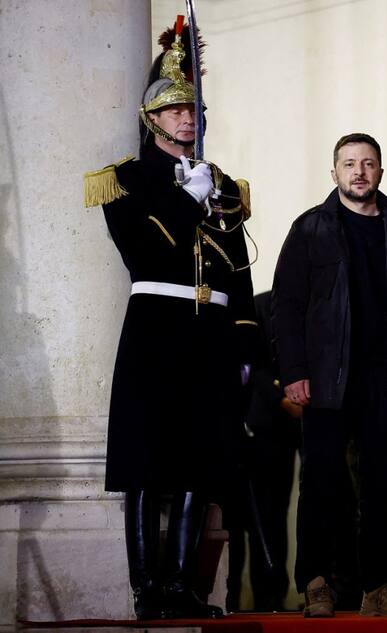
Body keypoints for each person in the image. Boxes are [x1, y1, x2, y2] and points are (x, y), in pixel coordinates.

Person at [83, 22, 257, 620]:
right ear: (152, 116)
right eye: (176, 109)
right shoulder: (124, 181)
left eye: (193, 108)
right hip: (156, 328)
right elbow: (145, 253)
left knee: (200, 458)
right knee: (145, 460)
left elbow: (238, 274)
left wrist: (244, 347)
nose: (187, 119)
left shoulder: (226, 186)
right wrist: (188, 201)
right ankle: (145, 590)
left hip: (209, 333)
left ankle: (182, 584)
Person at [271, 133, 387, 618]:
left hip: (385, 378)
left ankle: (377, 589)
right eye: (349, 164)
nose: (359, 172)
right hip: (324, 378)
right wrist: (294, 371)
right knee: (321, 483)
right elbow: (287, 305)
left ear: (381, 171)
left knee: (382, 486)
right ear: (335, 173)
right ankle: (317, 583)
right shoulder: (310, 229)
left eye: (368, 164)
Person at [226, 290, 301, 613]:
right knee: (255, 518)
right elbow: (253, 365)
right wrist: (282, 397)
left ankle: (275, 591)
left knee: (277, 515)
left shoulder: (309, 305)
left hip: (291, 431)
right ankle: (253, 593)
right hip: (263, 428)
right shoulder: (260, 305)